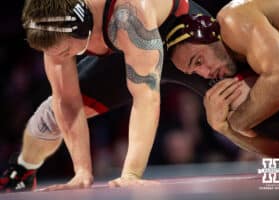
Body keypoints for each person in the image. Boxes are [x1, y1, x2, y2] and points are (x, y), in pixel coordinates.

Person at [0, 0, 216, 192]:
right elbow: (67, 104)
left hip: (178, 31)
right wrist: (82, 172)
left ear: (80, 24)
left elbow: (146, 98)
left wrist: (131, 174)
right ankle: (23, 169)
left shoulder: (129, 13)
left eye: (65, 51)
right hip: (124, 47)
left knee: (236, 95)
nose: (61, 57)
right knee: (49, 115)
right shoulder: (54, 27)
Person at [167, 0, 279, 138]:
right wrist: (223, 128)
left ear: (209, 34)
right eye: (195, 72)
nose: (206, 74)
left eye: (199, 61)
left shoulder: (232, 19)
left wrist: (237, 123)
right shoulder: (245, 69)